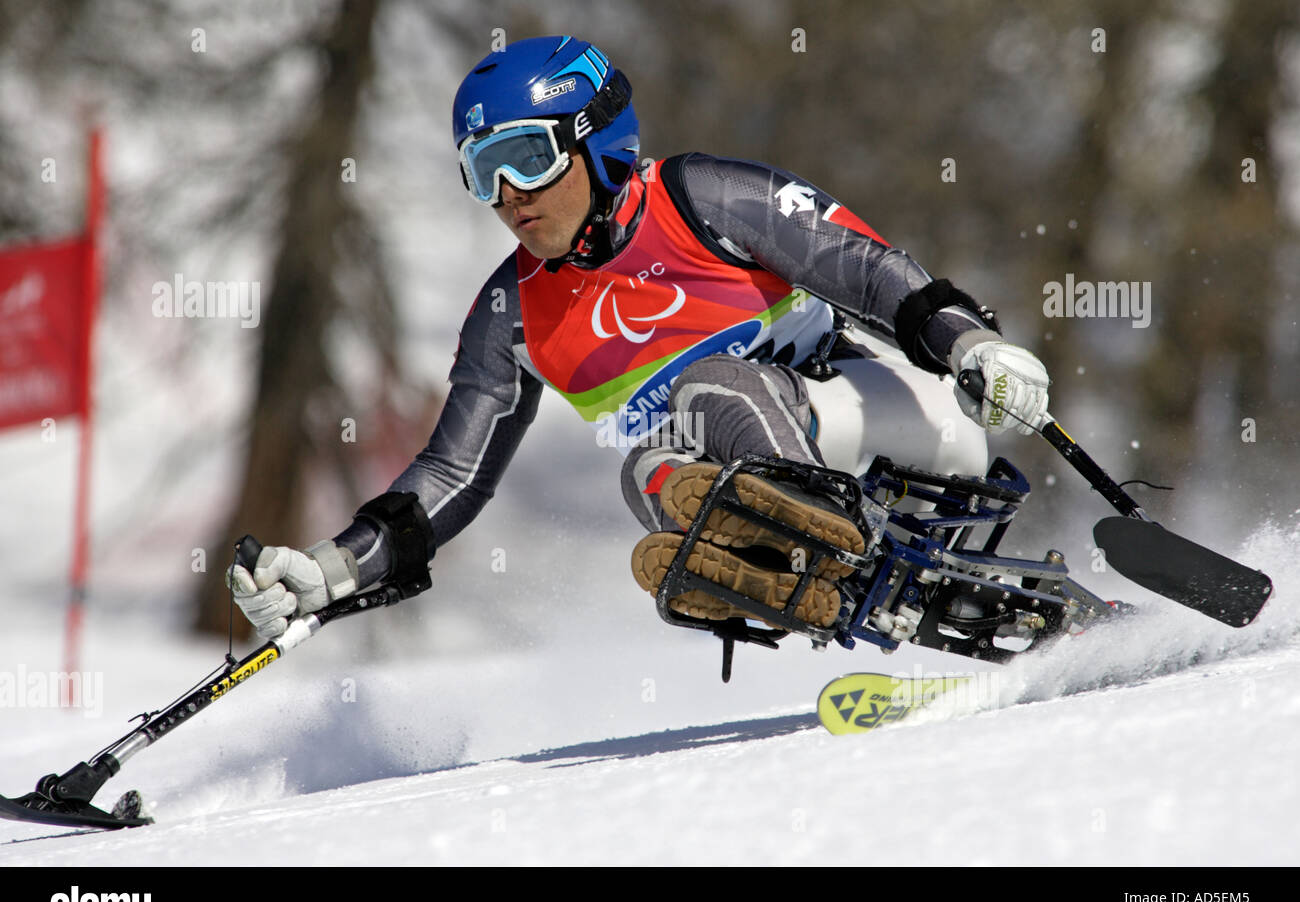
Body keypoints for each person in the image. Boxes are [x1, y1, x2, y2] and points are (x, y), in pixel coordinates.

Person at [228, 35, 1051, 637]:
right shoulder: (512, 312)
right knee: (649, 467)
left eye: (524, 158)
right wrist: (334, 569)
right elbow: (453, 471)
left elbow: (869, 272)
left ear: (593, 142)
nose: (510, 195)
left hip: (899, 427)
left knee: (708, 393)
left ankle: (829, 547)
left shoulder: (700, 197)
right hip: (750, 485)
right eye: (484, 173)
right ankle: (808, 576)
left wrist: (971, 345)